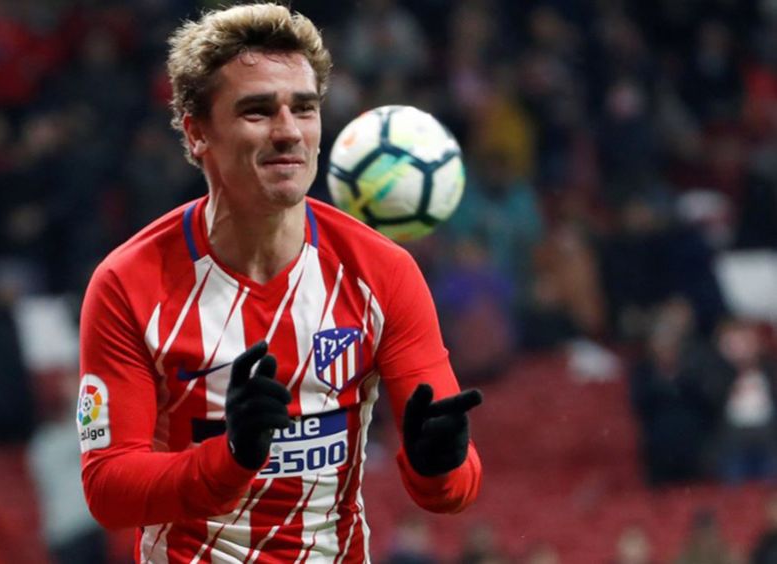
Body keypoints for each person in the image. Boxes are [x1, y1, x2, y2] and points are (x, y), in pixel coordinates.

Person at [77, 4, 483, 561]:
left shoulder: (381, 272)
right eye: (258, 110)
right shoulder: (128, 284)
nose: (289, 131)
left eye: (305, 108)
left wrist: (440, 465)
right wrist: (231, 457)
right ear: (197, 133)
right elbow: (108, 489)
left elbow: (454, 490)